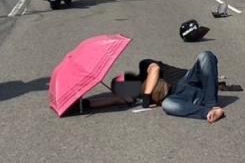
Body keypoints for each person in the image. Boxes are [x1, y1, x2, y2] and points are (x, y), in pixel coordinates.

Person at [83, 52, 226, 123]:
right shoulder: (136, 95)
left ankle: (211, 104)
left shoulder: (144, 65)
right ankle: (208, 112)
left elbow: (155, 69)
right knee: (167, 105)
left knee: (205, 55)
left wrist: (147, 95)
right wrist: (85, 103)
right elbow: (113, 100)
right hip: (179, 97)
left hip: (190, 79)